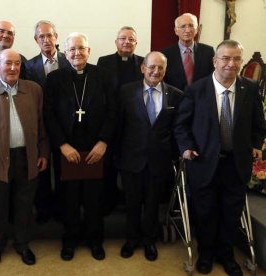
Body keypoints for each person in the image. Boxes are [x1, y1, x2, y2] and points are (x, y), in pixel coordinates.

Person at [174, 40, 266, 275]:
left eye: (236, 59)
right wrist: (186, 147)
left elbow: (259, 125)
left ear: (241, 62)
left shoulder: (250, 89)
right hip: (203, 162)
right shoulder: (197, 89)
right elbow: (181, 125)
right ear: (215, 61)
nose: (231, 64)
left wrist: (256, 145)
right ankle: (205, 253)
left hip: (236, 164)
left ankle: (226, 255)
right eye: (225, 58)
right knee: (205, 212)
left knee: (230, 212)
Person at [0, 49, 49, 268]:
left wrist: (43, 152)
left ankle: (23, 244)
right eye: (7, 63)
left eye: (17, 63)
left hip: (27, 157)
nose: (13, 68)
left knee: (24, 204)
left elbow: (42, 125)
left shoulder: (34, 90)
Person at [44, 32, 116, 261]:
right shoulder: (55, 79)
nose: (77, 53)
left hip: (96, 147)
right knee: (69, 198)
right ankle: (70, 240)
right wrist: (62, 145)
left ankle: (95, 240)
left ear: (89, 51)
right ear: (65, 53)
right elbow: (49, 114)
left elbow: (114, 111)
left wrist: (103, 142)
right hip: (67, 149)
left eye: (81, 48)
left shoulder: (103, 76)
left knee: (95, 197)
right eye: (72, 49)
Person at [115, 51, 183, 261]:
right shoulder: (126, 92)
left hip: (159, 160)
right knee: (132, 202)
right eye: (151, 67)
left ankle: (149, 241)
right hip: (131, 159)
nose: (155, 71)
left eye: (160, 68)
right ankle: (131, 239)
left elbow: (177, 129)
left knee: (153, 204)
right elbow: (119, 126)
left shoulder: (176, 95)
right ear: (143, 68)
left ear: (165, 70)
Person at [25, 20, 71, 224]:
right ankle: (43, 208)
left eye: (49, 35)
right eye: (41, 36)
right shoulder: (27, 66)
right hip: (39, 126)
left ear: (56, 37)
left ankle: (63, 207)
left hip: (65, 126)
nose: (46, 39)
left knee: (62, 168)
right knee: (41, 169)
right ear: (36, 40)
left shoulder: (69, 60)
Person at [97, 26, 144, 216]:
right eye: (122, 38)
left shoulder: (143, 62)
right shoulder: (104, 62)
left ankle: (129, 201)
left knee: (130, 165)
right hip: (110, 120)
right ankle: (108, 201)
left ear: (136, 43)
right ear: (116, 41)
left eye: (131, 39)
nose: (126, 42)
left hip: (134, 123)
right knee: (108, 164)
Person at [161, 13, 215, 91]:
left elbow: (213, 78)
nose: (188, 30)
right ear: (176, 31)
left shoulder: (208, 52)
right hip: (175, 100)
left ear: (196, 30)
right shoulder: (165, 54)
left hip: (201, 99)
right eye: (183, 26)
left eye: (191, 26)